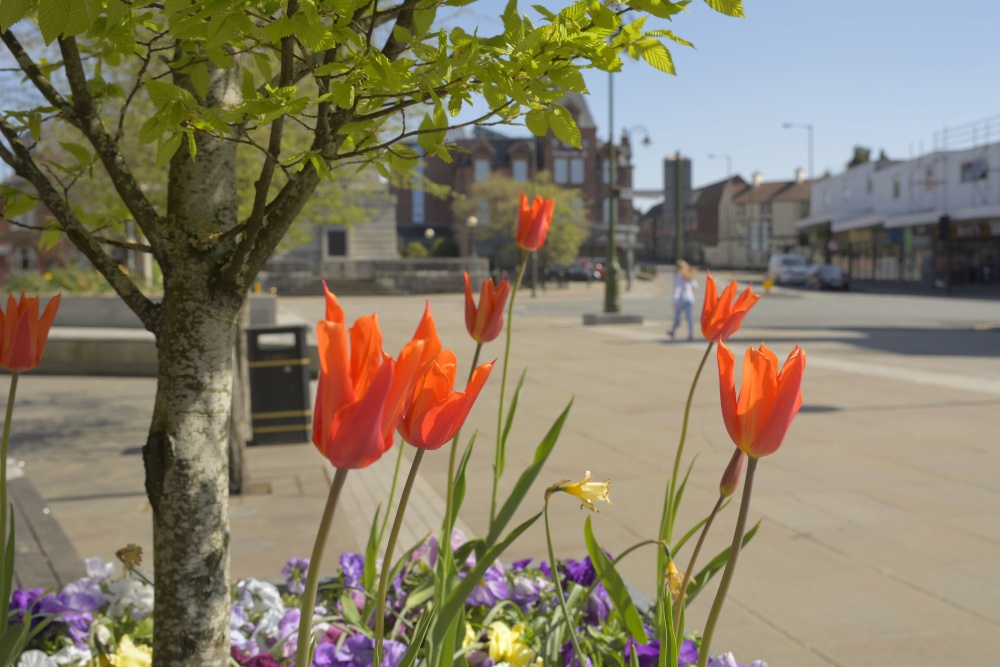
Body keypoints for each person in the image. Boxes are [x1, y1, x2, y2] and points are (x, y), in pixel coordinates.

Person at [668, 260, 698, 340]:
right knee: (689, 317)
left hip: (681, 298)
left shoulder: (678, 275)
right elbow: (695, 286)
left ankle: (673, 331)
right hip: (690, 298)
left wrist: (674, 299)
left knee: (677, 317)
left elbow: (677, 288)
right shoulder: (689, 274)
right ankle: (690, 334)